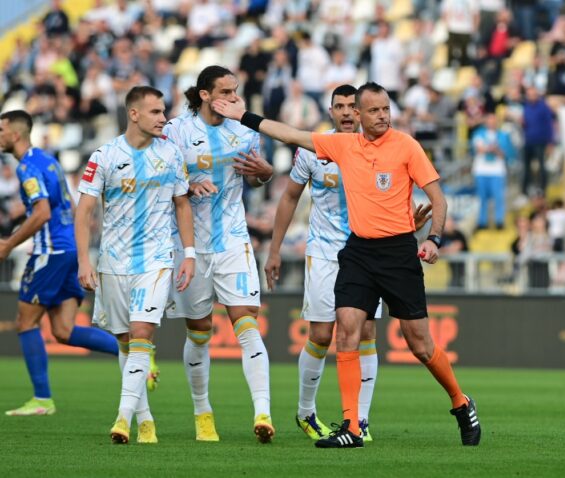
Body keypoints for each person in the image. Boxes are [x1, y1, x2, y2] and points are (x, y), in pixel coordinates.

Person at [213, 81, 481, 448]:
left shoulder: (406, 145)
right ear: (358, 114)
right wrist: (242, 116)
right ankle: (352, 427)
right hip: (358, 252)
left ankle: (460, 401)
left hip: (399, 253)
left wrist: (433, 239)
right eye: (374, 110)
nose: (382, 115)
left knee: (419, 344)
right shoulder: (343, 146)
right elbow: (290, 134)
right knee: (347, 331)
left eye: (386, 108)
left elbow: (438, 198)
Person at [264, 84, 432, 442]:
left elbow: (395, 195)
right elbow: (290, 197)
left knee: (366, 333)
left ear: (361, 112)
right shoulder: (316, 149)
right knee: (322, 335)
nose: (344, 112)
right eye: (338, 106)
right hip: (325, 252)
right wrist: (275, 249)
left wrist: (408, 226)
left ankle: (360, 421)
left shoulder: (381, 147)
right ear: (330, 111)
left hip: (370, 253)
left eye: (351, 106)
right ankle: (306, 412)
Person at [75, 86, 196, 444]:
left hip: (157, 259)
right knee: (126, 340)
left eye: (164, 112)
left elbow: (182, 205)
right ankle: (145, 418)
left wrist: (188, 254)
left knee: (143, 332)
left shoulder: (172, 154)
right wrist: (85, 260)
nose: (163, 118)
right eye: (156, 112)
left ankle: (122, 418)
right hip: (113, 261)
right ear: (134, 114)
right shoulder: (105, 155)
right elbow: (84, 211)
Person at [163, 65, 275, 443]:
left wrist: (264, 172)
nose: (234, 98)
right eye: (226, 92)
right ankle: (202, 412)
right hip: (189, 246)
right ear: (205, 94)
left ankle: (263, 412)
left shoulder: (244, 129)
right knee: (199, 332)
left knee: (246, 324)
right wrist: (188, 184)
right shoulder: (176, 131)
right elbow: (159, 181)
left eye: (236, 91)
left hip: (232, 240)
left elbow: (257, 175)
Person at [0, 110, 119, 416]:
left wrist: (9, 243)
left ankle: (42, 399)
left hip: (49, 252)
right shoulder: (48, 159)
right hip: (68, 249)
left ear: (15, 134)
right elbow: (59, 204)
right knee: (64, 331)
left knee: (26, 322)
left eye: (0, 130)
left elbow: (42, 213)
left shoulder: (27, 167)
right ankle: (137, 352)